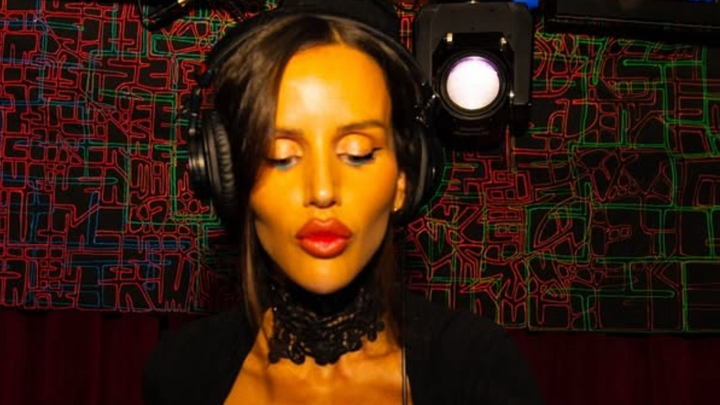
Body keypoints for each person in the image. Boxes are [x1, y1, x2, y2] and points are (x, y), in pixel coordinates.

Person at [142, 1, 543, 404]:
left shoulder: (478, 369)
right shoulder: (180, 372)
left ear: (405, 181)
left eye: (357, 153)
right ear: (229, 177)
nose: (322, 190)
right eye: (281, 156)